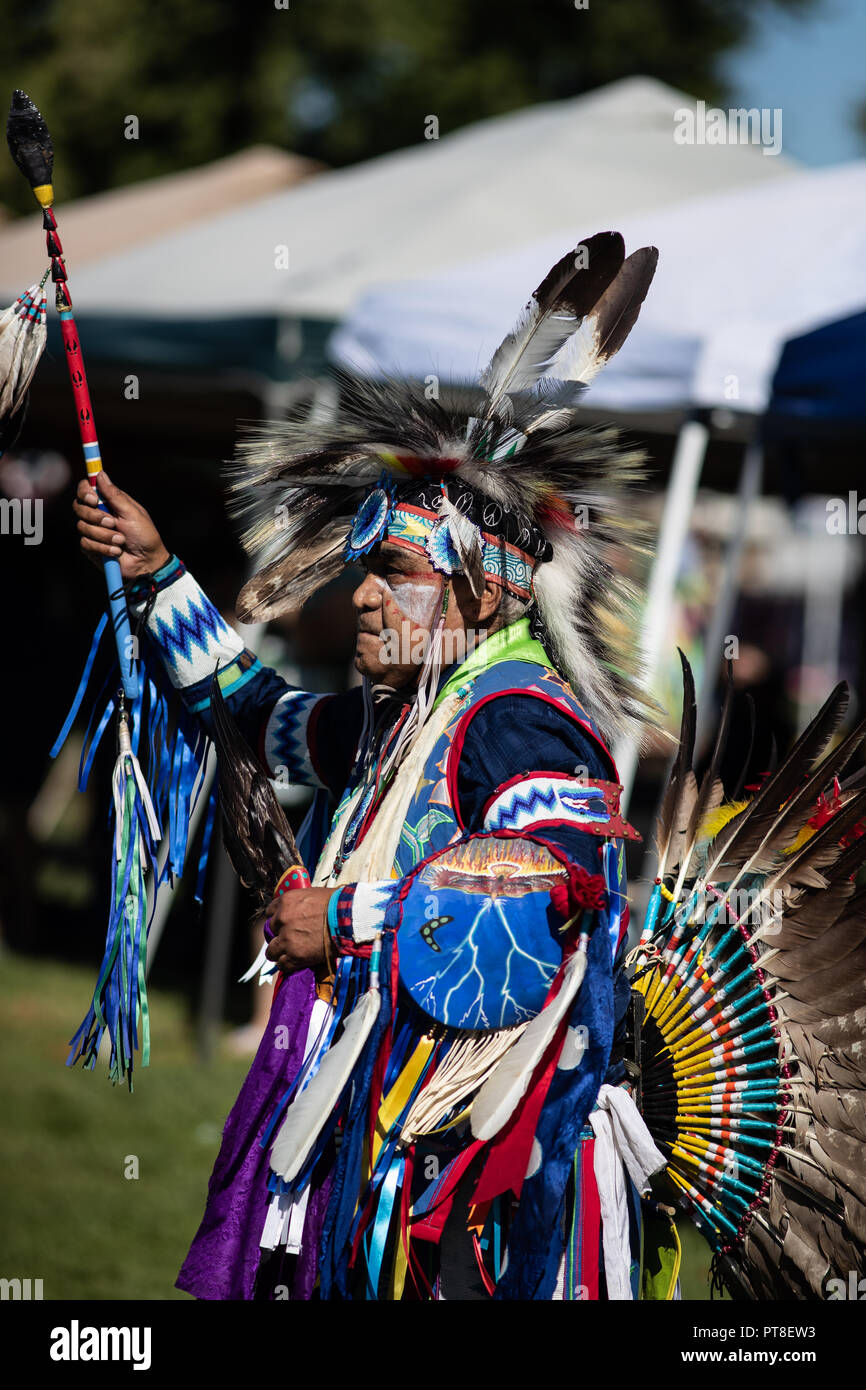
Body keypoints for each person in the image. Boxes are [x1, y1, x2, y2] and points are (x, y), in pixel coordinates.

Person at [74, 232, 673, 1300]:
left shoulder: (517, 720)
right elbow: (256, 716)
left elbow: (558, 894)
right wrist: (159, 570)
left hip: (474, 1183)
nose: (358, 595)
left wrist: (342, 920)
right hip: (383, 1137)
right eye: (363, 572)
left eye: (392, 571)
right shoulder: (405, 720)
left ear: (481, 589)